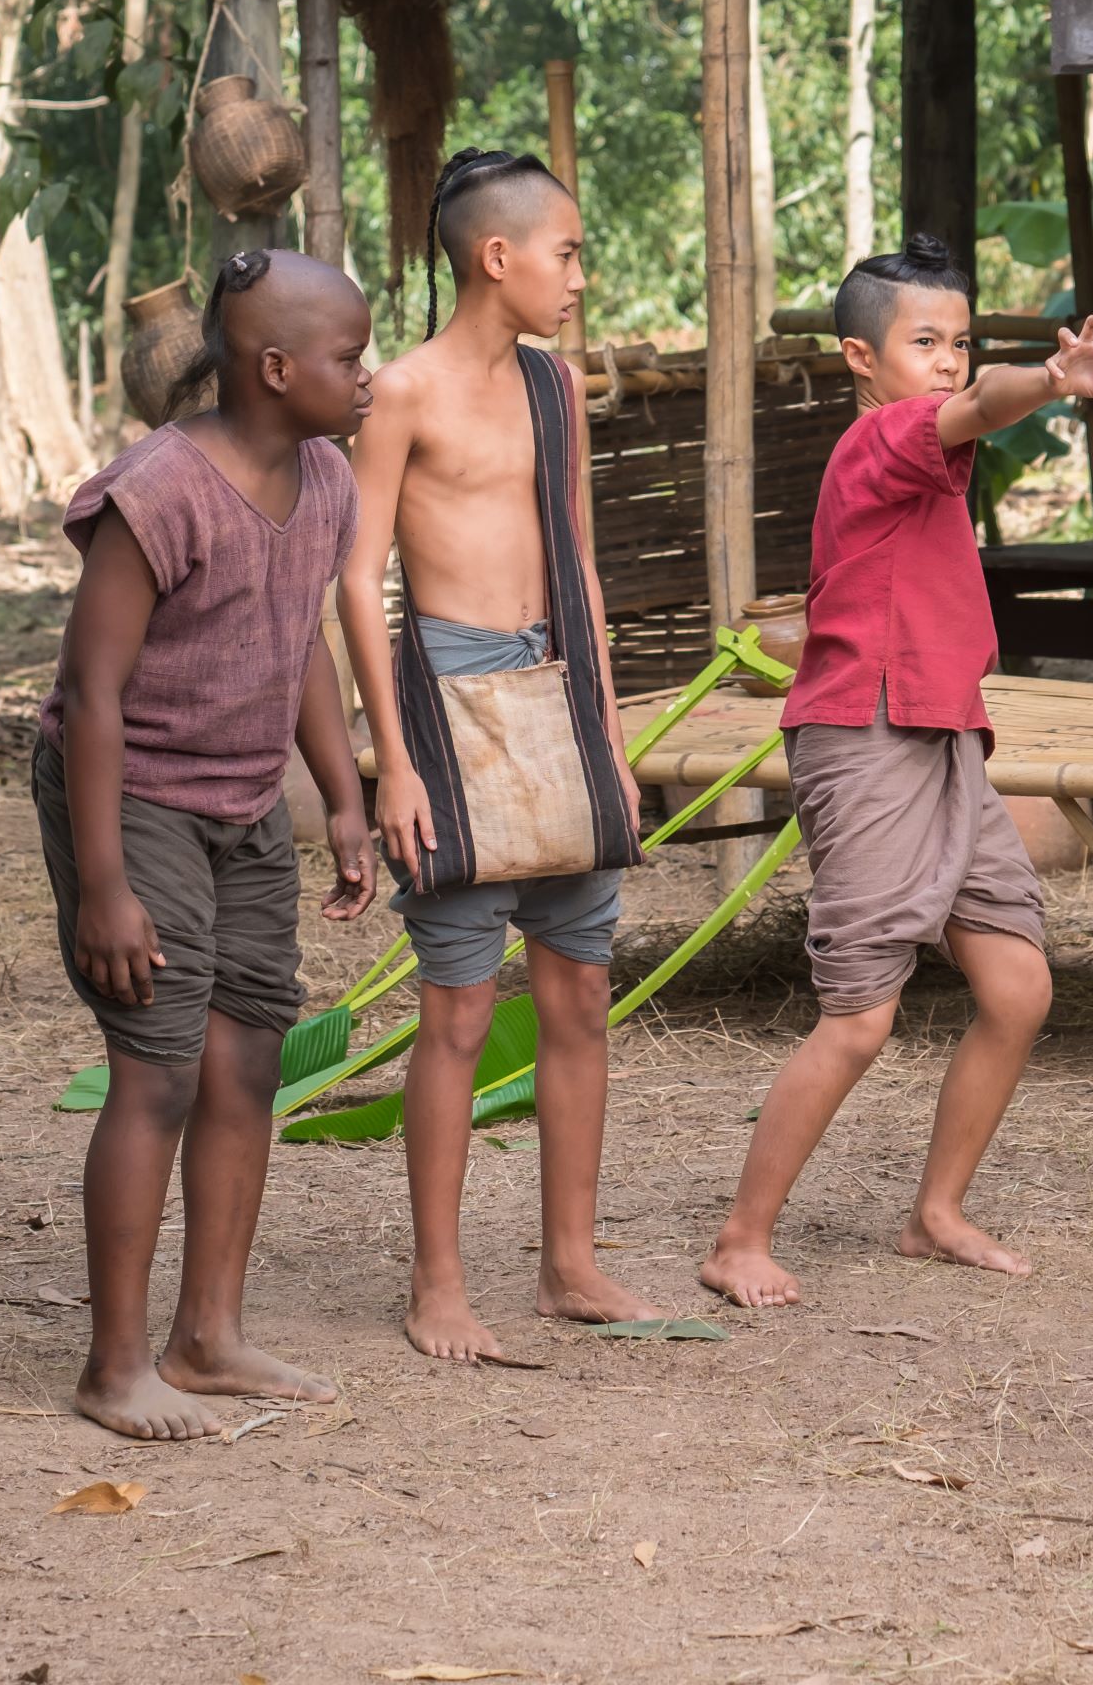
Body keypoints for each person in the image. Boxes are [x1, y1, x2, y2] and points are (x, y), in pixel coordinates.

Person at [698, 236, 1093, 1310]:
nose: (945, 360)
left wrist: (1017, 381)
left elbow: (973, 410)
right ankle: (739, 1237)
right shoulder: (881, 439)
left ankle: (935, 1212)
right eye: (923, 341)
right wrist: (1045, 378)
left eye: (960, 341)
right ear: (861, 356)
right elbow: (980, 405)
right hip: (868, 729)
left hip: (944, 732)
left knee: (1021, 986)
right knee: (859, 1016)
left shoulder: (929, 449)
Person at [35, 248, 377, 1438]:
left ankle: (209, 1335)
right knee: (162, 1068)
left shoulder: (326, 475)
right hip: (130, 798)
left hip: (242, 802)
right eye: (349, 355)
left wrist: (340, 791)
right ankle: (114, 1361)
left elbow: (304, 643)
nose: (366, 373)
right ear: (275, 367)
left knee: (247, 1063)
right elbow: (91, 693)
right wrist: (107, 885)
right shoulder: (160, 489)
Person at [339, 148, 657, 1362]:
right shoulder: (402, 391)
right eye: (567, 252)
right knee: (461, 1011)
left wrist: (610, 739)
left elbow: (576, 558)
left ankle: (570, 1264)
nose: (579, 276)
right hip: (451, 705)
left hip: (556, 695)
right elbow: (356, 578)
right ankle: (438, 1283)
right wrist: (393, 758)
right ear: (498, 255)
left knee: (579, 989)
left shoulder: (555, 388)